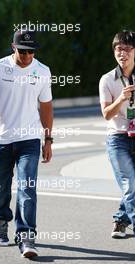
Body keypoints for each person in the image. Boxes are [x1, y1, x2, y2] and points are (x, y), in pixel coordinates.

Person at [0, 29, 53, 258]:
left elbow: (46, 107)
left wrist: (48, 139)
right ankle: (0, 226)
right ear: (13, 47)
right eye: (23, 51)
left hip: (30, 140)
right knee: (1, 189)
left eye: (31, 51)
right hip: (2, 140)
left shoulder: (42, 71)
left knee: (27, 188)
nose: (28, 56)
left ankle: (27, 237)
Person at [99, 30, 135, 238]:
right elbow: (106, 114)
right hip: (117, 138)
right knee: (129, 183)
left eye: (128, 49)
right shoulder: (107, 80)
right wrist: (121, 98)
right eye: (119, 49)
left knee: (132, 185)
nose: (123, 53)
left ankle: (120, 220)